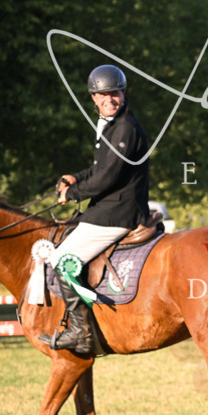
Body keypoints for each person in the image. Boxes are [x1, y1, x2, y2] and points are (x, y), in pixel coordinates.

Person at [39, 65, 150, 354]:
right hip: (108, 207)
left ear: (123, 94)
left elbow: (108, 177)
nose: (109, 99)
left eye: (114, 93)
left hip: (119, 211)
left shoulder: (125, 127)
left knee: (61, 261)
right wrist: (75, 177)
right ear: (93, 97)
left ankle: (81, 333)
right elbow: (99, 168)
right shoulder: (111, 124)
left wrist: (72, 194)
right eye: (103, 94)